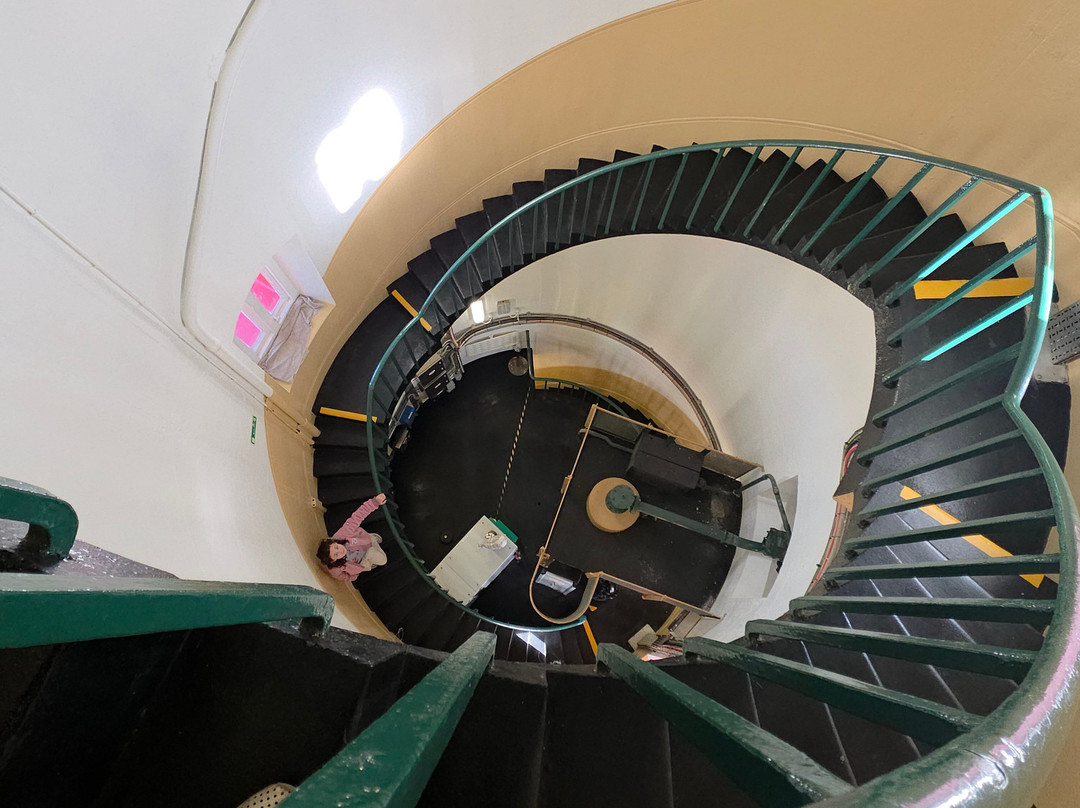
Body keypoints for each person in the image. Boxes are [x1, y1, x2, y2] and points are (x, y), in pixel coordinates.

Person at [317, 493, 389, 582]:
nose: (340, 550)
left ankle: (372, 539)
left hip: (365, 547)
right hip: (362, 562)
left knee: (383, 560)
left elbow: (357, 517)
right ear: (333, 560)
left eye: (336, 547)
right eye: (336, 554)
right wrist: (354, 576)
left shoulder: (342, 535)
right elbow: (342, 577)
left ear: (334, 542)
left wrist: (375, 502)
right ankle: (371, 558)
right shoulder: (335, 569)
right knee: (376, 563)